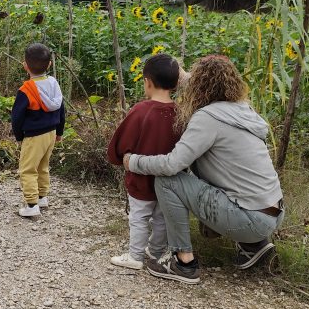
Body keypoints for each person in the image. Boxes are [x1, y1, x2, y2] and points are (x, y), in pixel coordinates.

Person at [124, 54, 284, 284]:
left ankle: (182, 261)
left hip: (250, 219)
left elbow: (172, 165)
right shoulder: (241, 110)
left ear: (201, 86)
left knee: (168, 180)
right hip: (272, 211)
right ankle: (254, 245)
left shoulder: (208, 118)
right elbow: (199, 80)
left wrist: (134, 162)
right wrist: (175, 72)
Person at [106, 54, 183, 269]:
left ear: (147, 82)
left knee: (139, 217)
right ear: (176, 84)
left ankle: (135, 256)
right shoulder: (180, 114)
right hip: (168, 181)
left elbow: (121, 144)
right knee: (161, 218)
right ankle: (156, 251)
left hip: (141, 179)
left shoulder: (141, 111)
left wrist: (117, 158)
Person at [11, 42, 65, 218]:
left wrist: (19, 136)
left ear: (25, 65)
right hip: (50, 133)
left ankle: (32, 204)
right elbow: (61, 108)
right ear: (49, 64)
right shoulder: (54, 84)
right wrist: (59, 132)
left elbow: (17, 116)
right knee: (43, 166)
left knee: (27, 169)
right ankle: (42, 197)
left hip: (34, 135)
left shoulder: (26, 90)